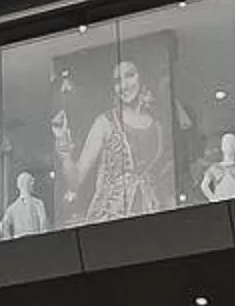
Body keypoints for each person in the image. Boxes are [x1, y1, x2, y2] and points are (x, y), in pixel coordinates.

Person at [68, 59, 169, 219]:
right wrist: (63, 153)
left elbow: (160, 179)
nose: (124, 86)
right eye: (117, 81)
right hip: (108, 217)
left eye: (130, 75)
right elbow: (76, 180)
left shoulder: (157, 127)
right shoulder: (105, 122)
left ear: (143, 77)